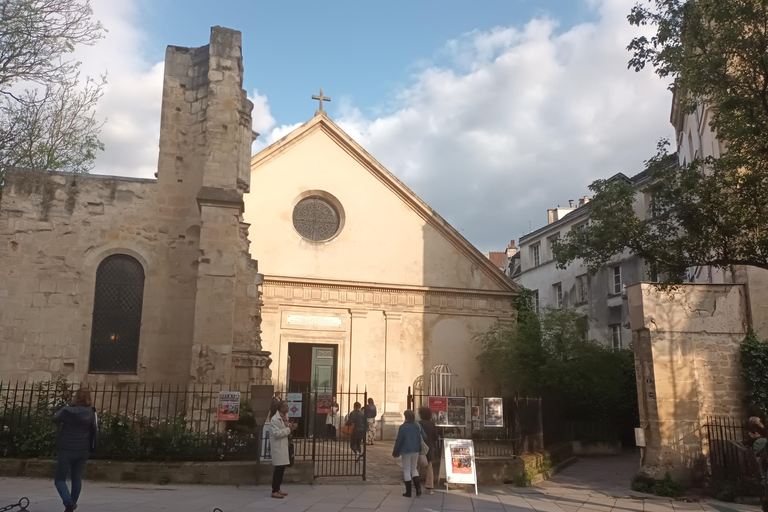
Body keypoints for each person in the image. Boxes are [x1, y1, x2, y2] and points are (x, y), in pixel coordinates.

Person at [52, 387, 97, 512]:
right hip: (83, 448)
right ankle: (71, 507)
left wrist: (65, 405)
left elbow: (55, 418)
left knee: (60, 479)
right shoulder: (91, 412)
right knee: (76, 478)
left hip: (67, 447)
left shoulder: (68, 411)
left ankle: (68, 502)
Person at [392, 409, 426, 498]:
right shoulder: (418, 425)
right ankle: (418, 489)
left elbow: (399, 441)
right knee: (414, 468)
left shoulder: (403, 427)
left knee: (407, 469)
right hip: (416, 449)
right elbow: (424, 436)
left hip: (406, 450)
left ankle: (408, 491)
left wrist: (395, 452)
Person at [269, 401, 297, 499]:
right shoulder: (275, 419)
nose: (287, 408)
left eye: (287, 406)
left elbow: (286, 427)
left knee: (282, 469)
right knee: (278, 469)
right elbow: (276, 433)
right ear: (280, 408)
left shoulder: (285, 417)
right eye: (285, 406)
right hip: (278, 446)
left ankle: (278, 488)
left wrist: (291, 427)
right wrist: (289, 429)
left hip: (283, 446)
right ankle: (274, 490)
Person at [418, 407, 439, 495]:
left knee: (417, 466)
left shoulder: (419, 424)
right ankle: (430, 486)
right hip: (429, 447)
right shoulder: (432, 424)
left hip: (420, 447)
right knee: (429, 467)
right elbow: (436, 437)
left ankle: (415, 483)